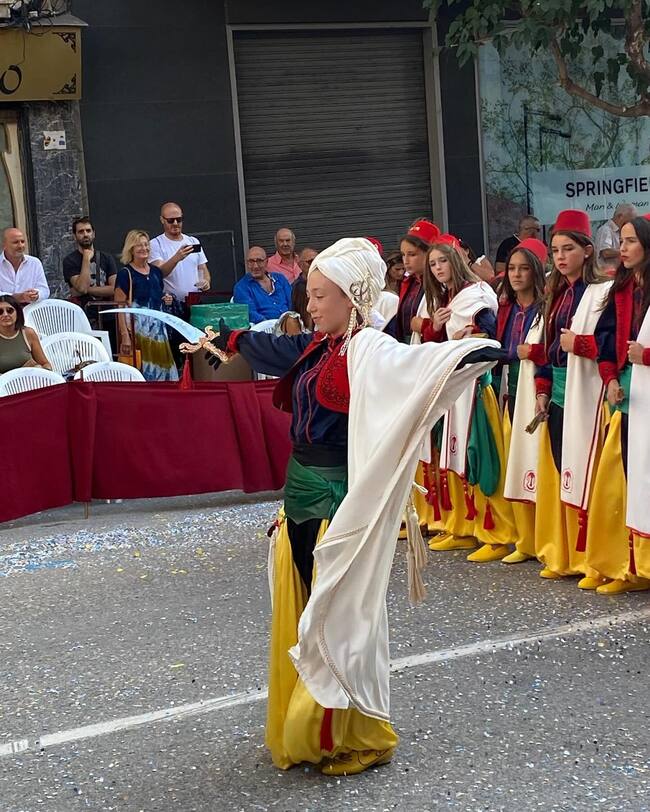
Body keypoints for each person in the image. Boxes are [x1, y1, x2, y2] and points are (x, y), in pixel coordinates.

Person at [202, 237, 499, 775]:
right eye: (309, 295)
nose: (309, 306)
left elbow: (412, 368)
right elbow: (279, 355)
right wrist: (234, 338)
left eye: (319, 296)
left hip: (338, 498)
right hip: (300, 494)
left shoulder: (366, 347)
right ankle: (314, 725)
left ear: (351, 297)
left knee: (340, 615)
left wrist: (466, 353)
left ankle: (361, 734)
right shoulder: (323, 345)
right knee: (311, 610)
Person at [412, 236, 517, 561]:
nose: (438, 268)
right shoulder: (446, 298)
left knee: (479, 458)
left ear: (455, 262)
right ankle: (466, 526)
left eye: (442, 261)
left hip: (475, 385)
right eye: (433, 264)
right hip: (453, 386)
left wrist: (468, 337)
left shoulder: (477, 295)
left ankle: (497, 531)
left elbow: (493, 335)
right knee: (455, 460)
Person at [530, 209, 609, 586]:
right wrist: (542, 392)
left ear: (588, 251)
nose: (560, 257)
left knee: (591, 472)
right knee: (567, 470)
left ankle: (598, 556)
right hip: (560, 391)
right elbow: (546, 349)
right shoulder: (555, 293)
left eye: (568, 249)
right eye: (555, 250)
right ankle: (574, 553)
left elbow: (613, 346)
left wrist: (578, 343)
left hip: (591, 392)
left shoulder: (603, 291)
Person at [586, 215, 650, 594]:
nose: (621, 248)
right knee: (624, 477)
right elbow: (605, 339)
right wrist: (610, 378)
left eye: (629, 241)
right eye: (621, 241)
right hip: (629, 395)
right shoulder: (622, 289)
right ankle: (628, 564)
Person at [496, 238, 547, 564]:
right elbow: (504, 349)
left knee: (536, 464)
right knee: (515, 465)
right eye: (512, 268)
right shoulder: (507, 309)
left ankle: (543, 538)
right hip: (510, 389)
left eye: (523, 268)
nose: (516, 275)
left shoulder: (544, 307)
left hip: (535, 390)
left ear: (535, 272)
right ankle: (523, 538)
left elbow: (547, 349)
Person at [114, 230, 178, 382]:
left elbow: (157, 295)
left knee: (165, 374)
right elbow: (120, 308)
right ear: (131, 249)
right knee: (143, 374)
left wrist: (166, 299)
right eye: (139, 245)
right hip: (138, 333)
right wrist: (125, 337)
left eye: (146, 244)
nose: (144, 248)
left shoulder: (156, 272)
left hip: (159, 334)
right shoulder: (125, 273)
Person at [386, 219, 440, 343]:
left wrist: (424, 326)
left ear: (429, 253)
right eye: (403, 254)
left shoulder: (441, 284)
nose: (406, 260)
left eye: (412, 254)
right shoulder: (408, 282)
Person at [149, 202, 210, 309]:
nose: (175, 223)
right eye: (171, 220)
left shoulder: (193, 241)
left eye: (179, 219)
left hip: (195, 302)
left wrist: (206, 281)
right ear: (162, 220)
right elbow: (159, 273)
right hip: (172, 304)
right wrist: (176, 258)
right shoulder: (155, 243)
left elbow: (202, 268)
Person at [63, 216, 118, 327]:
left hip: (108, 315)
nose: (85, 234)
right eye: (81, 231)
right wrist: (86, 259)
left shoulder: (106, 258)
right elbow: (82, 287)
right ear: (75, 236)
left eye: (88, 231)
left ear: (94, 234)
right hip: (83, 317)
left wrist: (87, 290)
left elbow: (114, 289)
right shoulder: (69, 261)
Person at [233, 246, 292, 324]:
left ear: (267, 262)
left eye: (259, 261)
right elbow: (251, 314)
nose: (255, 266)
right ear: (246, 263)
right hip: (264, 330)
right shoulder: (241, 288)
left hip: (290, 324)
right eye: (251, 261)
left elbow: (292, 302)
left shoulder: (280, 279)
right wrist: (273, 326)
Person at [0, 295, 51, 373]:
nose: (5, 314)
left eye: (10, 310)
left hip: (30, 382)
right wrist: (19, 373)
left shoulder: (28, 333)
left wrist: (45, 371)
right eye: (0, 312)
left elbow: (45, 363)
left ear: (18, 313)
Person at [0, 227, 49, 303]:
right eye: (15, 242)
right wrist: (19, 297)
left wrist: (36, 295)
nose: (20, 246)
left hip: (30, 311)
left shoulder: (34, 263)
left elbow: (45, 290)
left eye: (22, 242)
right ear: (4, 245)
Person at [594, 203, 637, 271]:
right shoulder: (606, 230)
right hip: (606, 275)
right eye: (628, 221)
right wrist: (627, 251)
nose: (629, 224)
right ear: (620, 216)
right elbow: (605, 252)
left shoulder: (620, 230)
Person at [291, 247, 318, 331]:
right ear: (300, 265)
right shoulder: (299, 287)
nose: (314, 264)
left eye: (316, 261)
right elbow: (306, 318)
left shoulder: (326, 281)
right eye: (310, 262)